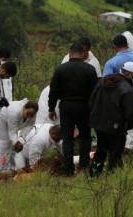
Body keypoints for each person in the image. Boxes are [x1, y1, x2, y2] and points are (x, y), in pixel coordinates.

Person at [48, 42, 98, 176]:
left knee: (67, 138)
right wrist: (93, 109)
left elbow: (53, 91)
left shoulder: (60, 69)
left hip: (66, 106)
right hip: (84, 107)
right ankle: (84, 166)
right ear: (83, 54)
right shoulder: (90, 69)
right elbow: (95, 92)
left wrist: (51, 108)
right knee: (85, 137)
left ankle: (68, 169)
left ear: (70, 53)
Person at [89, 62, 133, 177]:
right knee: (115, 153)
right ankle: (112, 178)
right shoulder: (127, 88)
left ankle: (93, 175)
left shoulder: (102, 81)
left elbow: (91, 102)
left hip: (99, 124)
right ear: (129, 74)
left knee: (100, 150)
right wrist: (128, 125)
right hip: (117, 126)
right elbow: (130, 112)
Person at [103, 34, 133, 147]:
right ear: (128, 45)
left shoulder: (111, 63)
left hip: (118, 102)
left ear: (114, 46)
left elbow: (106, 83)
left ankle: (118, 153)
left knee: (119, 129)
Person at [0, 99, 38, 173]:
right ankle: (2, 170)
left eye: (31, 115)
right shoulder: (14, 112)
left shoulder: (33, 116)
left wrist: (21, 140)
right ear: (24, 108)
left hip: (14, 123)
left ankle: (11, 168)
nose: (29, 117)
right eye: (28, 114)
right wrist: (16, 142)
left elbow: (28, 128)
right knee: (5, 143)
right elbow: (12, 131)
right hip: (4, 118)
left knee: (13, 148)